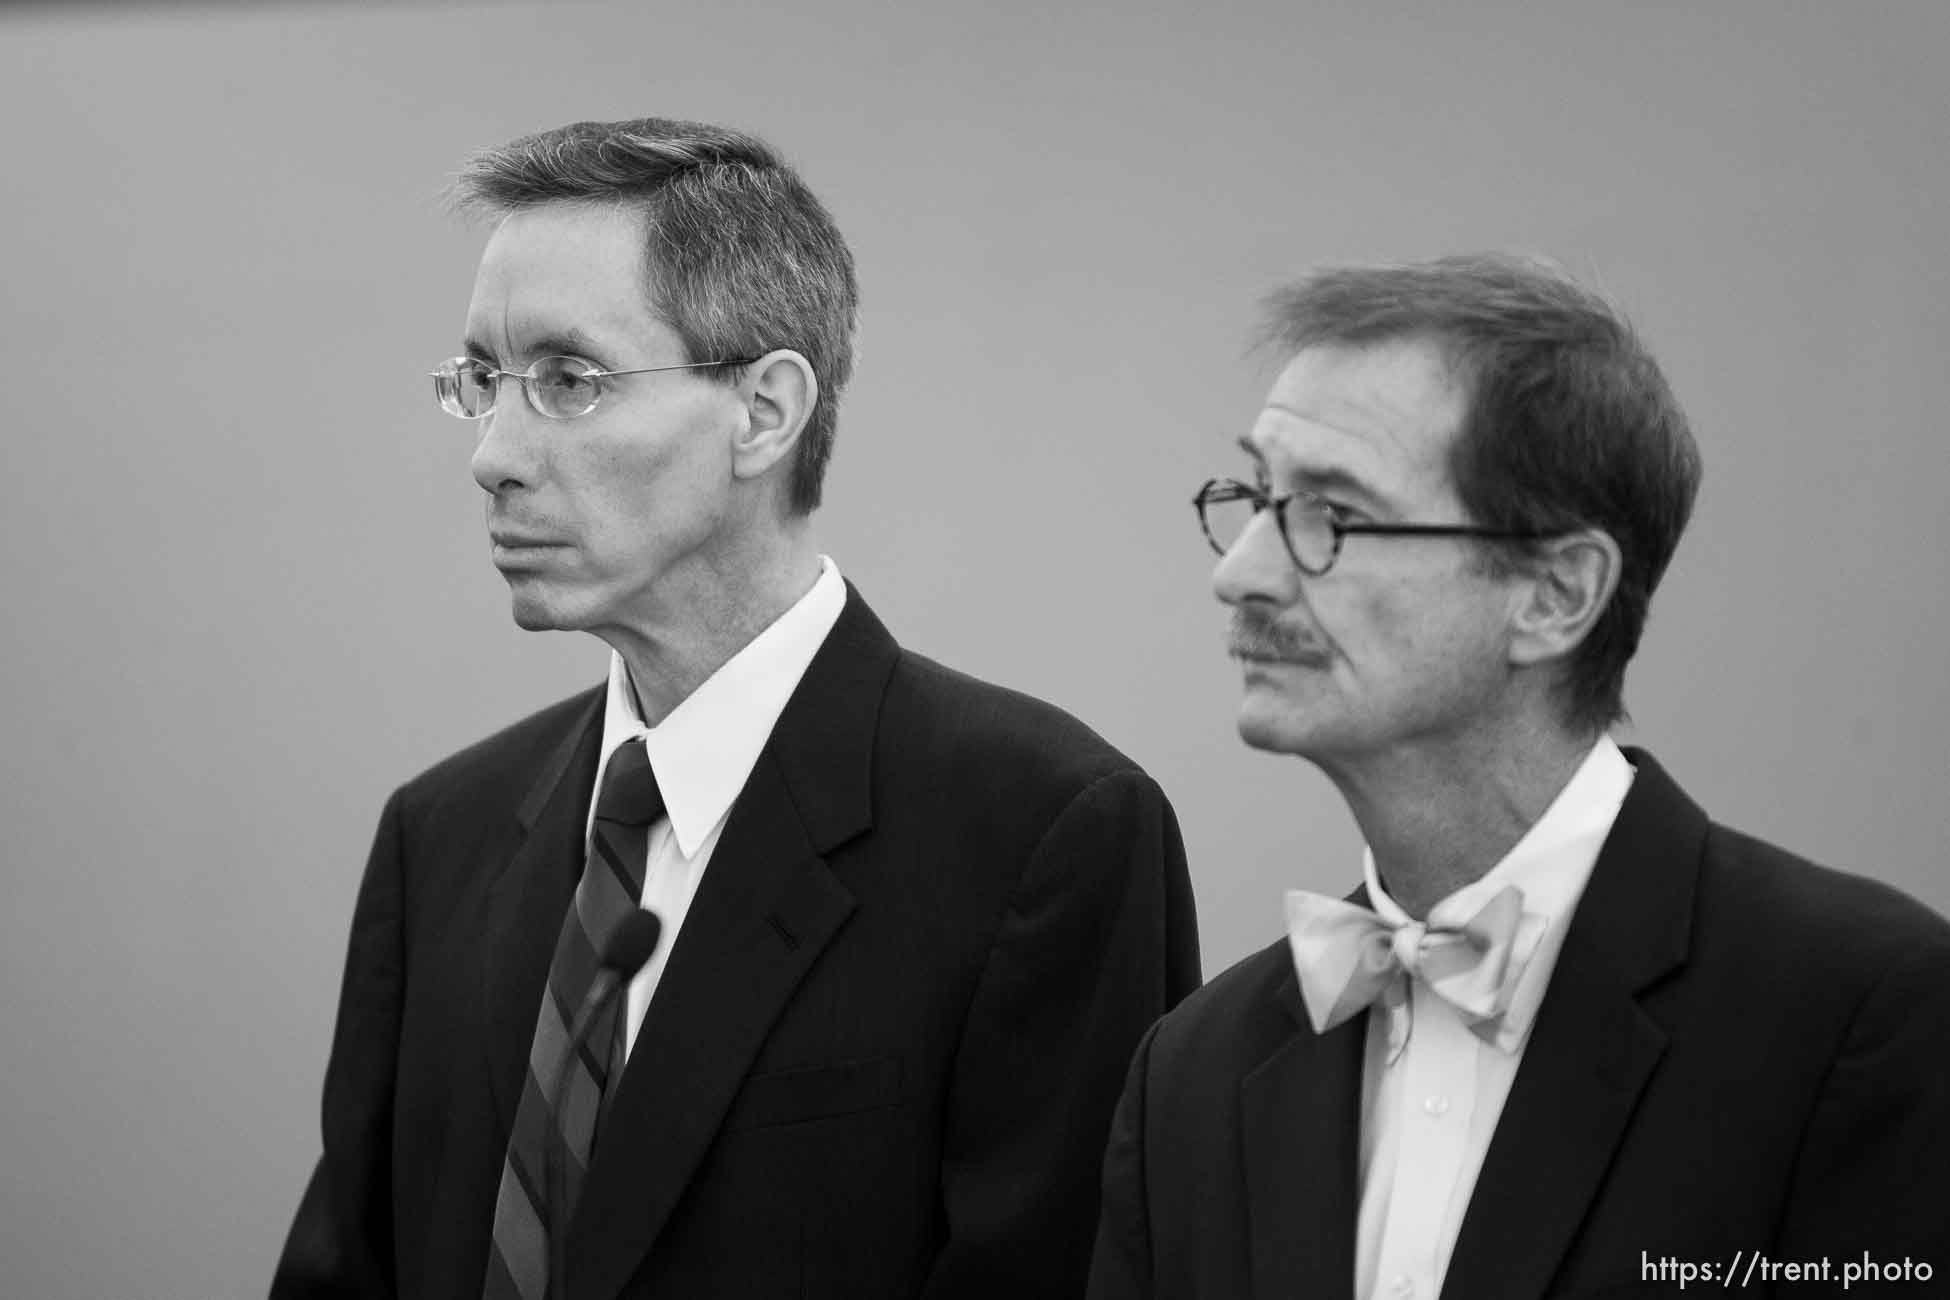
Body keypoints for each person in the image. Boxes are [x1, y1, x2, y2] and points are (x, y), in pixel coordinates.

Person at [273, 116, 1199, 1300]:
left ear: (764, 411)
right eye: (484, 382)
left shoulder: (1046, 834)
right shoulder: (441, 834)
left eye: (568, 381)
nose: (492, 454)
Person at [1087, 254, 1950, 1300]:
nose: (1240, 572)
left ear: (1555, 592)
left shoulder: (1860, 1012)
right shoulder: (1193, 1071)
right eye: (1257, 499)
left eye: (1332, 516)